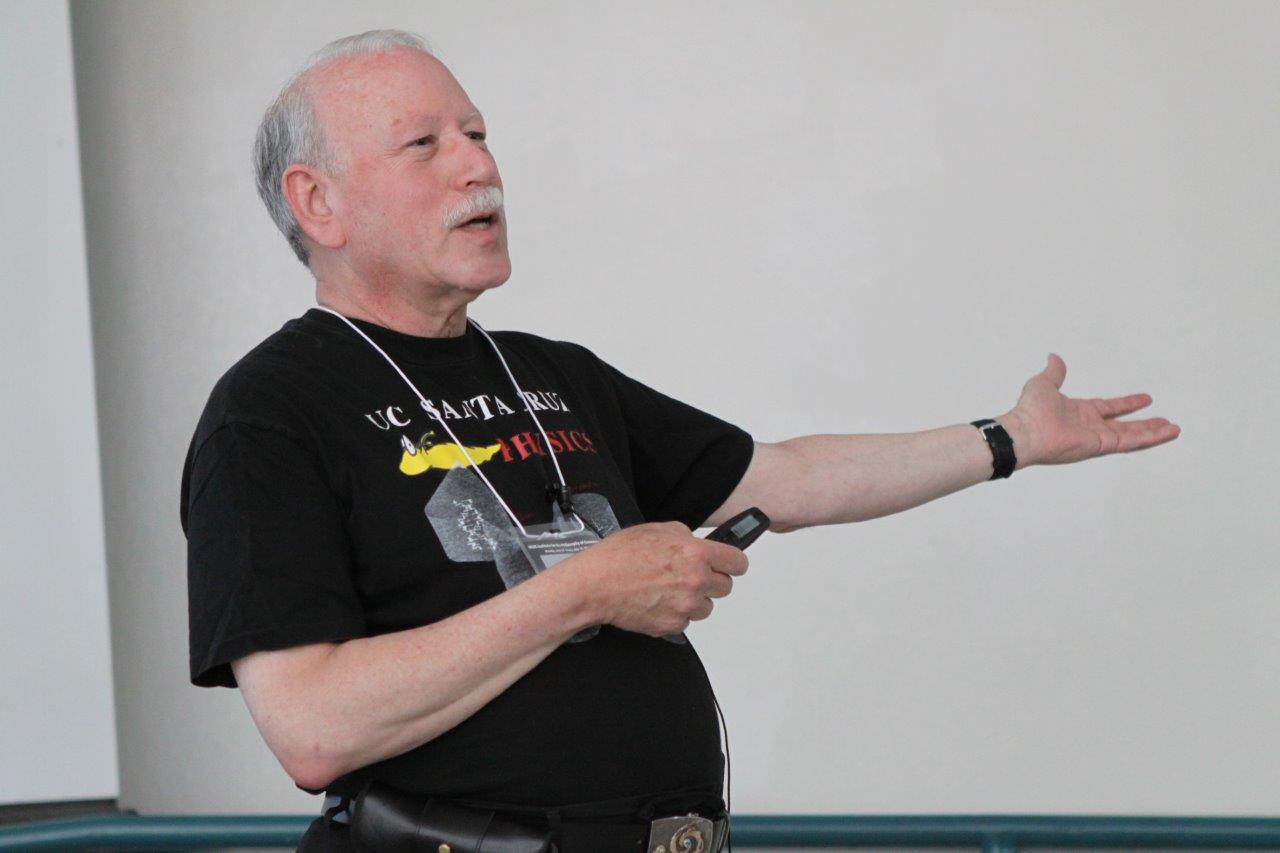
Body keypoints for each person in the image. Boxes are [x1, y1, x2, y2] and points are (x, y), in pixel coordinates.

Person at [179, 29, 1181, 853]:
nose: (478, 165)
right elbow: (313, 728)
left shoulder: (549, 371)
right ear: (318, 202)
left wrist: (1009, 437)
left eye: (477, 133)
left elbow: (788, 478)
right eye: (424, 145)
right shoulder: (269, 413)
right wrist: (584, 588)